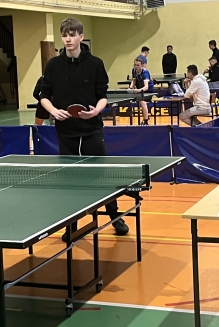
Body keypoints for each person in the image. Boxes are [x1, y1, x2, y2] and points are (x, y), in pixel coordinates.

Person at [38, 17, 128, 236]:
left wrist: (96, 111)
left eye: (72, 35)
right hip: (65, 131)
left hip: (91, 128)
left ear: (81, 36)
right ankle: (71, 225)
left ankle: (115, 217)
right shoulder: (53, 65)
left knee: (103, 175)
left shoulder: (95, 63)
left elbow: (103, 96)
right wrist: (53, 111)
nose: (67, 39)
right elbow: (44, 96)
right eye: (64, 35)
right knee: (69, 181)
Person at [128, 57, 152, 125]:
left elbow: (146, 87)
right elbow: (134, 80)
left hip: (148, 91)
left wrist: (138, 90)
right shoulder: (134, 70)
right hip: (140, 90)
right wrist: (131, 87)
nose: (136, 67)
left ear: (142, 65)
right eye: (135, 65)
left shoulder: (145, 72)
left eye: (138, 65)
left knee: (142, 102)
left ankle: (146, 121)